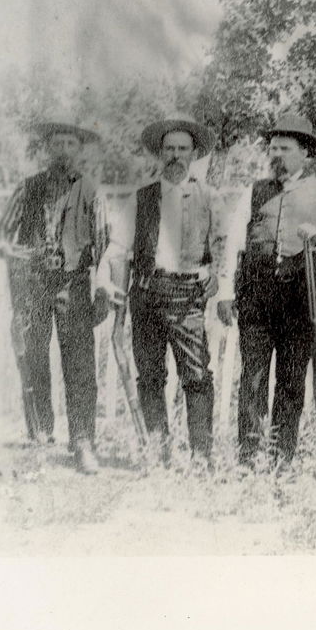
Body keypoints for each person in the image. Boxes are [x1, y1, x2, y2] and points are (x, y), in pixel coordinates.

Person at [217, 112, 316, 469]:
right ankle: (250, 456)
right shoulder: (254, 190)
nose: (276, 154)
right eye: (273, 148)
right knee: (253, 377)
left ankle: (281, 458)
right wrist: (226, 289)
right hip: (256, 295)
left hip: (300, 295)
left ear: (304, 153)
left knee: (292, 379)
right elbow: (234, 242)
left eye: (285, 148)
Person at [100, 116, 228, 465]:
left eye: (182, 149)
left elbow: (224, 245)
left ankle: (201, 456)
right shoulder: (140, 198)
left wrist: (218, 277)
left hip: (187, 293)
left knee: (197, 375)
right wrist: (106, 280)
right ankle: (159, 451)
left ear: (195, 153)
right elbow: (117, 246)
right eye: (169, 148)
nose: (175, 155)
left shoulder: (210, 197)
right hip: (146, 292)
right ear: (160, 153)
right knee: (150, 374)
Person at [0, 118, 104, 472]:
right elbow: (1, 236)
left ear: (78, 150)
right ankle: (40, 437)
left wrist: (100, 286)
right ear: (48, 149)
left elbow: (103, 245)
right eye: (58, 144)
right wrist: (22, 255)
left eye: (71, 145)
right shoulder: (29, 188)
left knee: (80, 364)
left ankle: (83, 442)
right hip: (34, 286)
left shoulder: (91, 191)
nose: (64, 151)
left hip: (73, 285)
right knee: (34, 359)